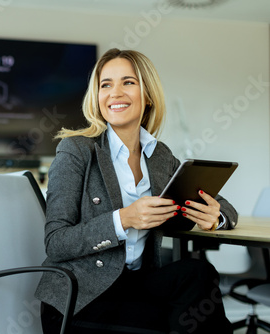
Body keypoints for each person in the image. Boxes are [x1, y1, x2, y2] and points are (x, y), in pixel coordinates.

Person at [34, 48, 238, 334]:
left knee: (199, 273)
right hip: (81, 297)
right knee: (186, 321)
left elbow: (223, 204)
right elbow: (56, 242)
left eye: (128, 82)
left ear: (149, 94)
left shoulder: (160, 156)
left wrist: (217, 217)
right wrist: (124, 219)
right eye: (106, 85)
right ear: (97, 96)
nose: (115, 93)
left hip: (136, 285)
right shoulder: (77, 150)